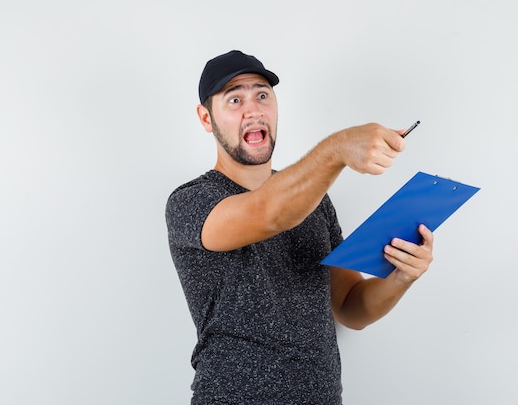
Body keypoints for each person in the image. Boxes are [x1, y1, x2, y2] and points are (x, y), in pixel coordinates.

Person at [165, 50, 434, 405]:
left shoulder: (316, 201)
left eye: (262, 95)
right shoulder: (191, 202)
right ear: (206, 118)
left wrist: (401, 277)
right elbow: (268, 214)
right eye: (234, 99)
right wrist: (337, 148)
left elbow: (351, 308)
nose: (253, 110)